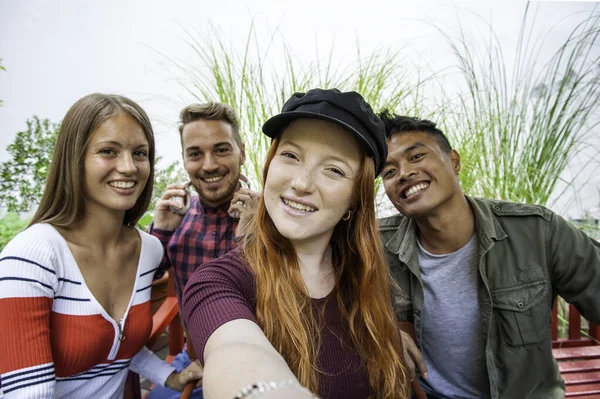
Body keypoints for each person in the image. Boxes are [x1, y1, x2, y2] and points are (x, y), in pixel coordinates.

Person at [182, 88, 411, 399]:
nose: (301, 184)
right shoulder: (217, 283)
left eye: (334, 169)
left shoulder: (369, 280)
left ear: (354, 201)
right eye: (290, 155)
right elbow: (235, 354)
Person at [377, 112, 600, 399]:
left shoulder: (538, 232)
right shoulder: (376, 245)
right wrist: (384, 333)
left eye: (417, 156)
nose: (404, 173)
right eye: (389, 172)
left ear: (454, 161)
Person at [0, 93, 202, 398]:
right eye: (108, 151)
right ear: (74, 159)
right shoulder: (32, 255)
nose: (129, 167)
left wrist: (170, 376)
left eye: (139, 153)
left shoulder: (147, 251)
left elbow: (117, 344)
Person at [147, 102, 259, 399]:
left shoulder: (272, 216)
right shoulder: (174, 217)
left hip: (262, 363)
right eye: (195, 154)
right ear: (184, 160)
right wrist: (160, 233)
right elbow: (140, 285)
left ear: (242, 153)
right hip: (195, 360)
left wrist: (253, 234)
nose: (209, 165)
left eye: (221, 150)